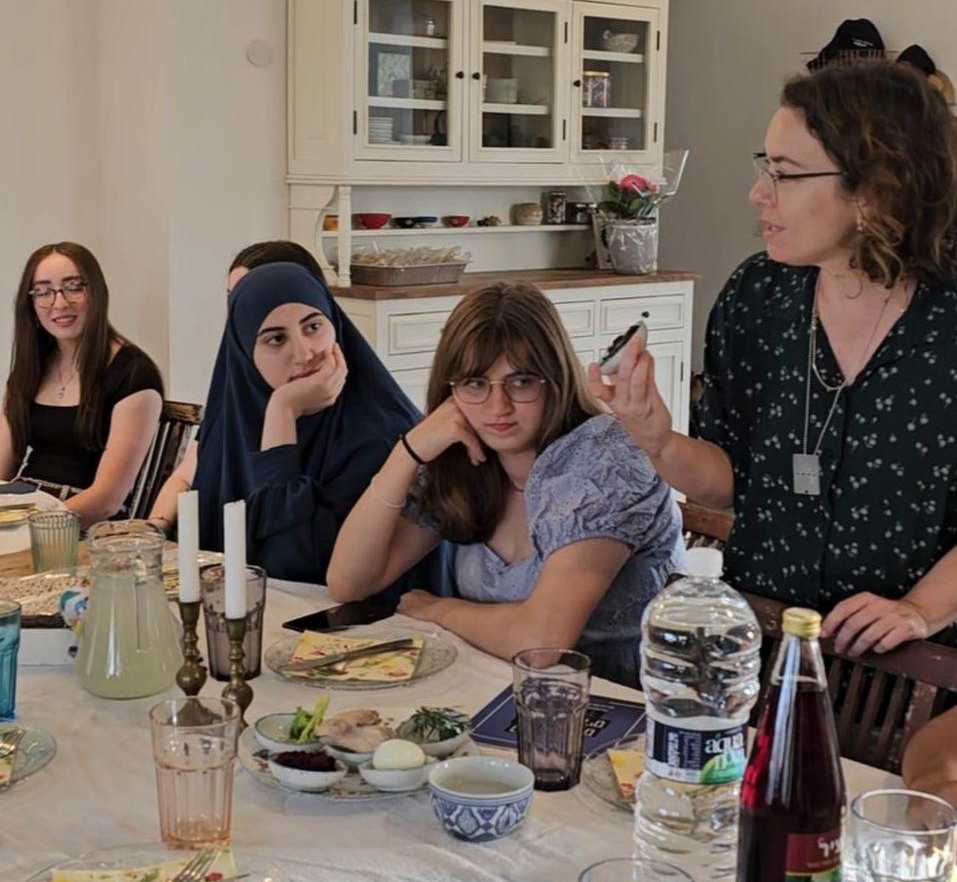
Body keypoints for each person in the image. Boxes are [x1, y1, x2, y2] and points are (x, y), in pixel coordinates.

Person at [591, 61, 957, 655]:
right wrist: (656, 438)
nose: (757, 193)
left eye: (783, 174)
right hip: (761, 645)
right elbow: (729, 484)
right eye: (765, 167)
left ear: (877, 188)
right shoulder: (758, 296)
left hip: (914, 669)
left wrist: (920, 609)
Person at [328, 281, 683, 687]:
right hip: (500, 696)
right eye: (475, 383)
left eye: (521, 382)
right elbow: (349, 582)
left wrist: (437, 610)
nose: (498, 408)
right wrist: (408, 452)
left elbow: (543, 643)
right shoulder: (468, 456)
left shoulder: (603, 459)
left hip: (631, 712)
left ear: (556, 379)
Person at [191, 261, 421, 583]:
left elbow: (294, 568)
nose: (304, 354)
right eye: (275, 340)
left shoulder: (380, 435)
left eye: (313, 327)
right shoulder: (232, 425)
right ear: (244, 354)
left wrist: (281, 414)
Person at [148, 240, 324, 533]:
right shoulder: (238, 386)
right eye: (233, 299)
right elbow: (187, 475)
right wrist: (155, 526)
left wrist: (283, 408)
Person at [0, 242, 164, 526]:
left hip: (83, 526)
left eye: (74, 287)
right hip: (23, 510)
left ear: (97, 293)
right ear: (30, 303)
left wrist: (33, 527)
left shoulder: (133, 372)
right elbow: (2, 469)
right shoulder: (32, 366)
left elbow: (106, 500)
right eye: (43, 291)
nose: (60, 303)